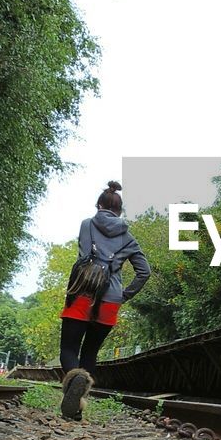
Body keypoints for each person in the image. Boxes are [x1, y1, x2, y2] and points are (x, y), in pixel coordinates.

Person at [58, 180, 150, 420]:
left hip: (82, 293)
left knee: (69, 348)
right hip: (109, 301)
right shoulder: (129, 238)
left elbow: (85, 254)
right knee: (90, 352)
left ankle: (75, 383)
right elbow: (144, 272)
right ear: (119, 211)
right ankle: (77, 405)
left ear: (99, 205)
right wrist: (123, 296)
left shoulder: (87, 224)